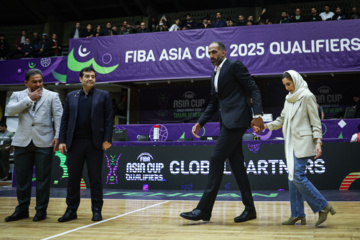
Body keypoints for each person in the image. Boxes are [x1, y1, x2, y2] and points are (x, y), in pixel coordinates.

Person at [180, 41, 264, 223]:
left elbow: (253, 87)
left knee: (216, 158)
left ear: (223, 52)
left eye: (214, 52)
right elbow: (214, 103)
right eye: (209, 52)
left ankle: (203, 210)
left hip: (237, 121)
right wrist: (200, 123)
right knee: (238, 167)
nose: (211, 55)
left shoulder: (234, 65)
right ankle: (250, 209)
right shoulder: (214, 74)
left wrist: (257, 115)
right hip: (227, 123)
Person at [264, 70, 336, 226]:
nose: (287, 88)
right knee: (292, 179)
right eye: (284, 85)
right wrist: (265, 126)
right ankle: (297, 214)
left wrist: (318, 141)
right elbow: (281, 119)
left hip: (303, 142)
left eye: (288, 84)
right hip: (290, 143)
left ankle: (323, 206)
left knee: (297, 176)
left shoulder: (307, 96)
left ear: (295, 81)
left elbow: (316, 122)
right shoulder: (288, 98)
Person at [4, 68, 63, 222]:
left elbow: (59, 117)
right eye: (34, 82)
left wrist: (58, 136)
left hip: (44, 142)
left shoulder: (52, 95)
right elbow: (9, 111)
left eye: (40, 81)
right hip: (22, 141)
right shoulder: (18, 95)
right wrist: (29, 99)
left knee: (43, 179)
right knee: (23, 180)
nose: (38, 84)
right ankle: (22, 210)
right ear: (26, 82)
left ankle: (41, 210)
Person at [58, 67, 113, 222]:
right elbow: (65, 120)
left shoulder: (104, 95)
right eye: (87, 76)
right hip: (74, 143)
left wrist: (107, 139)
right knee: (73, 179)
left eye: (93, 76)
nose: (90, 79)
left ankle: (96, 210)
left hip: (95, 143)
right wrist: (62, 140)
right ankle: (71, 210)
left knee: (95, 178)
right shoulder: (71, 96)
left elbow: (109, 119)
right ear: (80, 78)